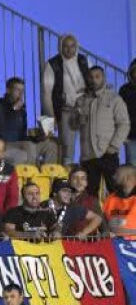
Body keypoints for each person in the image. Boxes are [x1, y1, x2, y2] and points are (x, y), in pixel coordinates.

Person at [72, 65, 130, 197]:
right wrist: (77, 118)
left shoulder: (114, 99)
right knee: (89, 195)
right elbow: (74, 126)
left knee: (116, 191)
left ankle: (118, 217)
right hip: (88, 156)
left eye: (97, 77)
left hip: (107, 153)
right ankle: (95, 218)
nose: (94, 80)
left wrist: (114, 146)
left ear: (103, 78)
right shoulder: (80, 100)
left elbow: (124, 124)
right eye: (91, 77)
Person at [41, 33, 89, 163]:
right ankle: (67, 179)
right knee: (67, 149)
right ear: (60, 47)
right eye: (66, 46)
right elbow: (46, 94)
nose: (69, 49)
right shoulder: (52, 64)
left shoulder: (83, 61)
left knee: (89, 147)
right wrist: (51, 117)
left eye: (73, 46)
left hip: (85, 110)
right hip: (65, 111)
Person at [102, 165, 136, 238]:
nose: (114, 177)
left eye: (118, 174)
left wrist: (122, 233)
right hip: (115, 244)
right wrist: (106, 231)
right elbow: (103, 219)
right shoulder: (111, 198)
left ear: (128, 178)